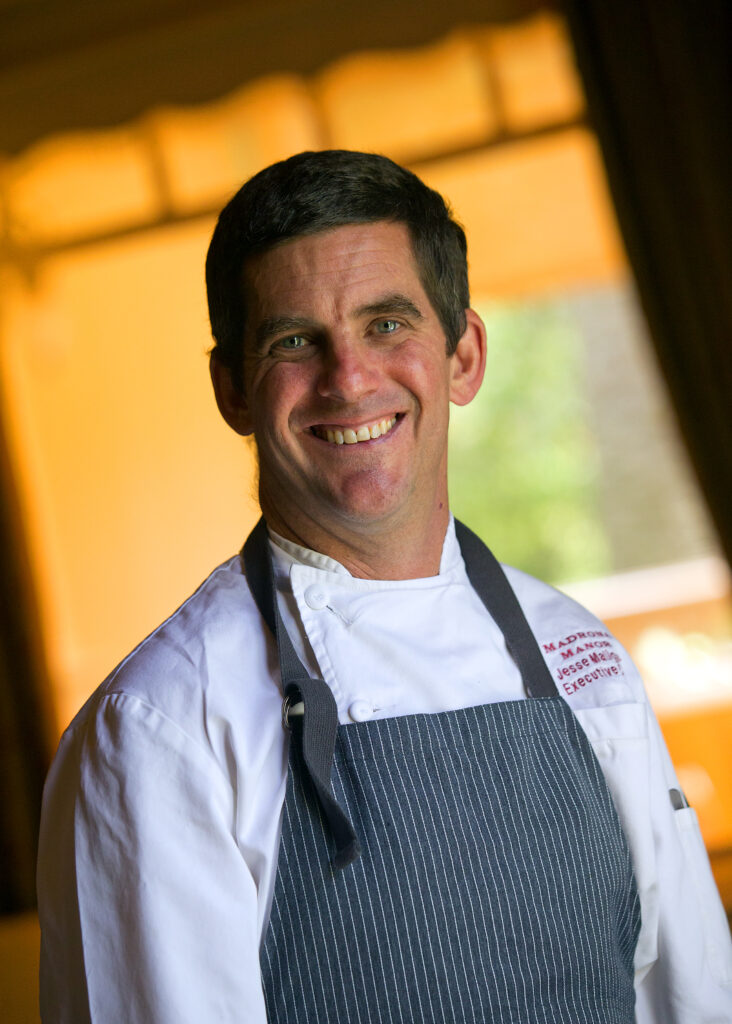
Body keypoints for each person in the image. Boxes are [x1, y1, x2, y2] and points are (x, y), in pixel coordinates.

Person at [37, 150, 731, 1023]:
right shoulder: (162, 729)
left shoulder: (584, 660)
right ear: (232, 391)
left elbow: (694, 999)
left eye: (387, 323)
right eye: (294, 341)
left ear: (464, 356)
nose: (350, 379)